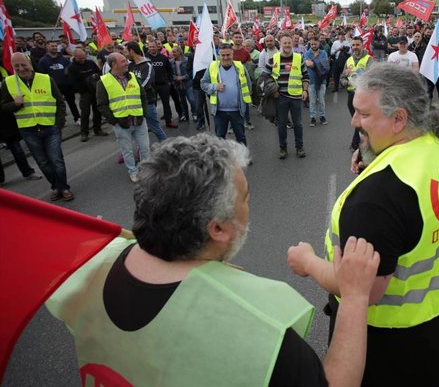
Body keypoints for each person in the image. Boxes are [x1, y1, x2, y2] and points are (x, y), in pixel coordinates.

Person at [46, 134, 381, 387]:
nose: (250, 205)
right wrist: (353, 298)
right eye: (246, 198)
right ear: (218, 228)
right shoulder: (257, 325)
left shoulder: (85, 264)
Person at [287, 63, 439, 387]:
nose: (353, 122)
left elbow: (363, 291)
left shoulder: (376, 200)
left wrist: (308, 262)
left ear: (399, 119)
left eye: (363, 115)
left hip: (392, 345)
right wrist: (374, 157)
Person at [0, 53, 73, 201]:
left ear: (30, 63)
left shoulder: (46, 79)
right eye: (16, 66)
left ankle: (64, 188)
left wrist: (59, 123)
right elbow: (4, 106)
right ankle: (55, 187)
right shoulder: (8, 83)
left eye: (23, 64)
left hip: (50, 126)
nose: (21, 68)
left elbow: (60, 102)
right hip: (28, 129)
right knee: (43, 162)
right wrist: (15, 104)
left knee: (56, 159)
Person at [97, 52, 150, 183]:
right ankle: (133, 172)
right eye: (123, 61)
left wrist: (143, 112)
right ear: (114, 64)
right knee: (127, 151)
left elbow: (143, 95)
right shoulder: (103, 81)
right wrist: (114, 121)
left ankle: (146, 170)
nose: (127, 63)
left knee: (145, 148)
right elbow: (102, 105)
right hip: (121, 123)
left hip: (138, 120)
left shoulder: (132, 76)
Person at [262, 35, 309, 159]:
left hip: (296, 97)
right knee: (281, 125)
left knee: (298, 124)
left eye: (289, 43)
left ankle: (299, 147)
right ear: (281, 44)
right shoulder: (274, 59)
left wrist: (305, 90)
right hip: (280, 97)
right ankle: (283, 148)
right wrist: (272, 91)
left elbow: (305, 76)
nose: (287, 45)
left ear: (292, 44)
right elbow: (265, 77)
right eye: (285, 43)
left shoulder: (299, 58)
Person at [201, 43, 252, 147]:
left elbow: (248, 84)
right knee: (220, 138)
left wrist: (245, 102)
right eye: (222, 55)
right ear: (219, 54)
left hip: (237, 110)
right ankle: (220, 159)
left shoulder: (240, 67)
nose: (225, 58)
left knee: (241, 137)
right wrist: (214, 87)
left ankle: (244, 157)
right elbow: (203, 83)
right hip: (219, 111)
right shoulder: (212, 66)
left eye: (228, 55)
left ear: (232, 54)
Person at [126, 42, 167, 142]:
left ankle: (168, 148)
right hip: (134, 103)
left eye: (126, 51)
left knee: (155, 128)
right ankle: (141, 151)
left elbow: (146, 82)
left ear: (131, 51)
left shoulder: (147, 65)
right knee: (137, 130)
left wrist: (131, 92)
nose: (125, 54)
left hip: (147, 102)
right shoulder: (130, 66)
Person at [66, 48, 107, 141]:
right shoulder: (72, 67)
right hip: (84, 93)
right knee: (85, 113)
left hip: (95, 90)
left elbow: (99, 72)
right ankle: (84, 133)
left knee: (97, 111)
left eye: (83, 57)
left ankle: (98, 129)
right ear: (75, 57)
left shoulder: (90, 63)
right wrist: (85, 84)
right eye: (80, 58)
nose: (82, 60)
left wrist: (96, 76)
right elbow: (72, 82)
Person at [342, 36, 373, 152]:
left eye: (357, 45)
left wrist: (360, 84)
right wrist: (347, 82)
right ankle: (363, 141)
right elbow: (342, 78)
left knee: (360, 119)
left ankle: (356, 144)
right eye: (353, 45)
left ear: (362, 45)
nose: (355, 47)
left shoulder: (369, 59)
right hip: (351, 95)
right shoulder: (348, 60)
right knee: (358, 120)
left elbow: (371, 78)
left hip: (363, 96)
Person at [147, 41, 178, 128]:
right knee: (152, 105)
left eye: (153, 46)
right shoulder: (146, 58)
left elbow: (169, 70)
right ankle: (152, 124)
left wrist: (170, 81)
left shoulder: (164, 57)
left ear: (157, 47)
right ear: (148, 47)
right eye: (150, 47)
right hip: (151, 85)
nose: (152, 48)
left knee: (166, 103)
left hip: (163, 84)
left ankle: (169, 121)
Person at [304, 37, 330, 126]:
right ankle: (313, 117)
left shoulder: (323, 53)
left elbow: (325, 66)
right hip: (311, 80)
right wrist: (317, 62)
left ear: (318, 43)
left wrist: (313, 62)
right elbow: (307, 64)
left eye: (315, 44)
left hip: (321, 80)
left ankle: (322, 116)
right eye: (312, 44)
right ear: (310, 44)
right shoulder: (307, 53)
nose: (313, 46)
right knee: (313, 100)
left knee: (321, 100)